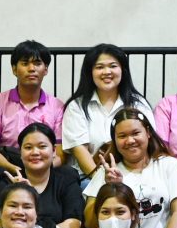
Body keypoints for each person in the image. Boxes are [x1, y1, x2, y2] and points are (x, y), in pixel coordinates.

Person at [83, 107, 177, 228]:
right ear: (115, 140)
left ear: (148, 133)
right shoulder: (106, 171)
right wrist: (109, 188)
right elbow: (89, 224)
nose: (130, 140)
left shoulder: (169, 166)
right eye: (122, 136)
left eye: (135, 133)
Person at [0, 40, 66, 176]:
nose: (31, 68)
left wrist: (40, 170)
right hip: (9, 168)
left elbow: (61, 154)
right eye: (25, 63)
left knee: (69, 174)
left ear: (46, 69)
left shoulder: (57, 106)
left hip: (46, 169)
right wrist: (15, 170)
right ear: (14, 69)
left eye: (37, 63)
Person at [59, 43, 145, 176]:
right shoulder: (76, 107)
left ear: (123, 70)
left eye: (113, 66)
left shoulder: (138, 104)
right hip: (90, 179)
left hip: (133, 176)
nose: (107, 72)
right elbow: (80, 151)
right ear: (90, 72)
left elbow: (147, 144)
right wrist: (101, 181)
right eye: (99, 67)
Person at [1, 122, 84, 228]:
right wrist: (17, 194)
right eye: (28, 147)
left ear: (54, 151)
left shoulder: (67, 178)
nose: (35, 152)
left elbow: (73, 226)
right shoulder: (9, 181)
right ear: (20, 152)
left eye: (42, 146)